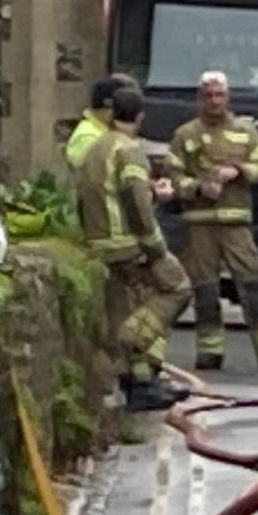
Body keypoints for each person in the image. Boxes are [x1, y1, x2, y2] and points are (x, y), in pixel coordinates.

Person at [167, 71, 258, 371]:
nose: (214, 101)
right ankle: (210, 351)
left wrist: (239, 172)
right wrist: (198, 186)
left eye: (219, 95)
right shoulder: (185, 135)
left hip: (236, 222)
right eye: (208, 95)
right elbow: (173, 176)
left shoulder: (245, 131)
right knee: (205, 288)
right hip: (199, 222)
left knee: (253, 282)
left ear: (228, 97)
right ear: (200, 98)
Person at [82, 82, 191, 412]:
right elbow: (136, 202)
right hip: (127, 244)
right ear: (140, 117)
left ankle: (138, 385)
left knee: (122, 307)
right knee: (176, 287)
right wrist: (154, 246)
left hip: (98, 242)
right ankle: (131, 342)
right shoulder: (129, 151)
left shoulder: (97, 148)